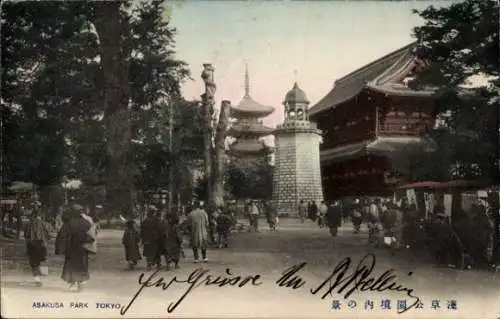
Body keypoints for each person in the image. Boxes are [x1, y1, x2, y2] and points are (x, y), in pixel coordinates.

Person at [55, 204, 93, 292]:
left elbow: (62, 236)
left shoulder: (68, 223)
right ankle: (80, 283)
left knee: (71, 265)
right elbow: (90, 233)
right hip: (82, 247)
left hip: (71, 247)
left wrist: (60, 248)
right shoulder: (85, 222)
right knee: (82, 265)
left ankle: (72, 283)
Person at [24, 208, 51, 286]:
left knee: (34, 262)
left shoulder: (29, 224)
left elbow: (26, 235)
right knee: (40, 261)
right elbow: (47, 235)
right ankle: (41, 276)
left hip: (31, 245)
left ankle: (37, 278)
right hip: (41, 245)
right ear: (39, 215)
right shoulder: (43, 223)